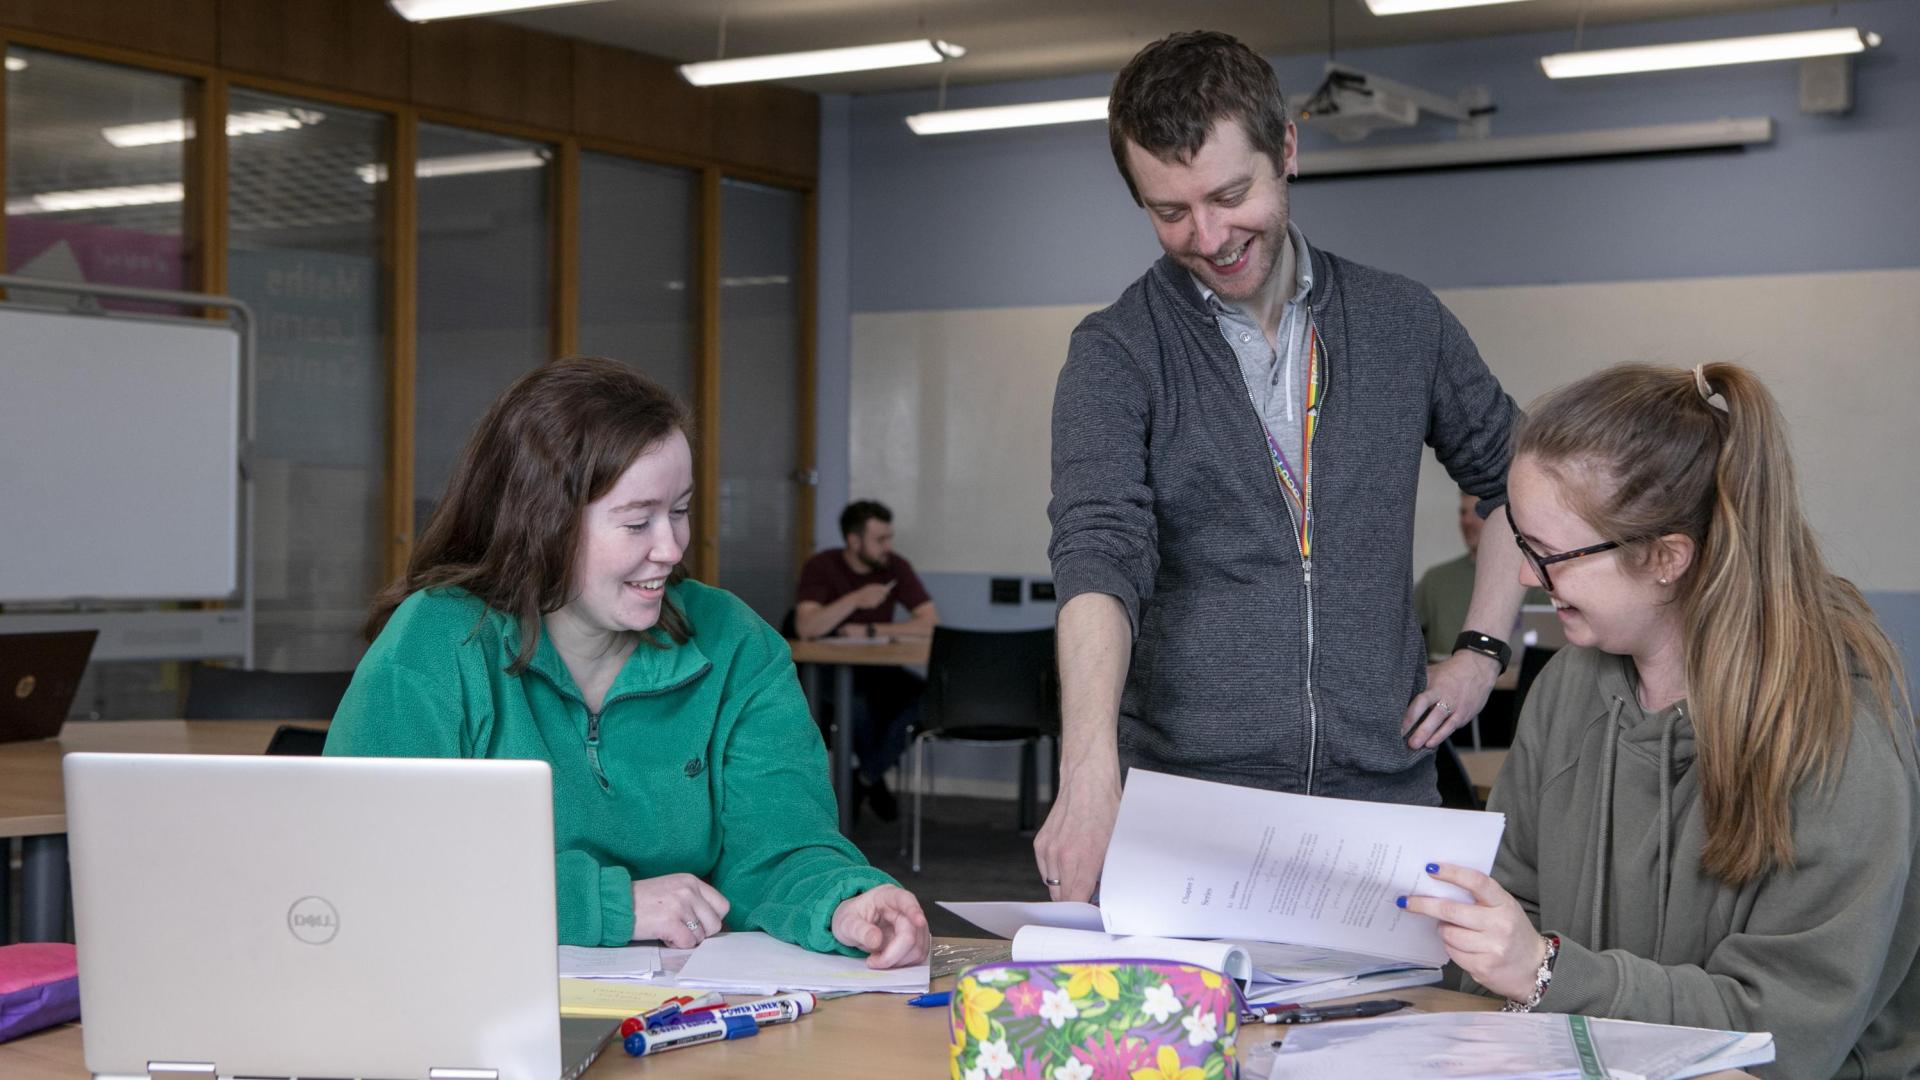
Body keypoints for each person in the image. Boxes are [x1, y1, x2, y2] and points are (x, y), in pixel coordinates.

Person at [1039, 30, 1529, 901]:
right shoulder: (1116, 352)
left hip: (1379, 801)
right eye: (1171, 211)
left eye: (1232, 194)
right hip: (1191, 810)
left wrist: (1483, 651)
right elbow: (1097, 558)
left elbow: (1518, 481)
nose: (1211, 235)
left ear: (1288, 149)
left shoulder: (1402, 322)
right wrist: (1087, 773)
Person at [1403, 362, 1920, 1077]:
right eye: (1523, 546)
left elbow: (1784, 1032)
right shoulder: (1567, 687)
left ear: (1667, 558)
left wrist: (1547, 974)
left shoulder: (1838, 731)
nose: (1525, 578)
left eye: (1549, 556)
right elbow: (1510, 895)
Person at [325, 358, 929, 967]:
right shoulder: (436, 641)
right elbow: (369, 867)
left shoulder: (738, 643)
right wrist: (609, 905)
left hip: (682, 1016)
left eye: (681, 510)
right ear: (542, 524)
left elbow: (780, 847)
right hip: (467, 1001)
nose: (670, 549)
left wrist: (843, 899)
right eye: (637, 521)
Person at [793, 500, 939, 820]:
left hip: (880, 670)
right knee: (857, 705)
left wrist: (872, 628)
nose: (888, 546)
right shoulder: (822, 566)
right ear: (853, 540)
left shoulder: (894, 566)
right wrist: (857, 599)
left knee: (930, 698)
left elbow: (929, 621)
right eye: (880, 539)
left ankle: (864, 780)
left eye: (889, 537)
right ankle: (871, 781)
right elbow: (806, 627)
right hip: (831, 672)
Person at [1414, 490, 1550, 661]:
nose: (1467, 521)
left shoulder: (1530, 576)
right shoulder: (1435, 579)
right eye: (1463, 512)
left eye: (1477, 512)